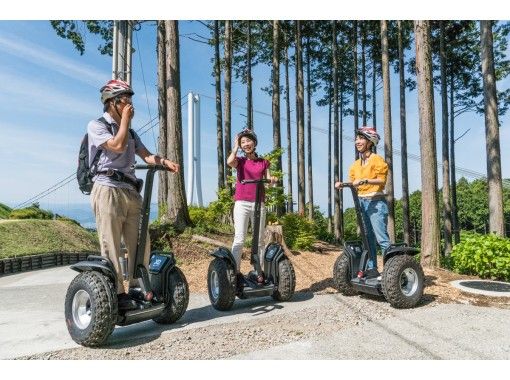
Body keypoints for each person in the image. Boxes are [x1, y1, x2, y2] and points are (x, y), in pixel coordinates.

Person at [88, 79, 179, 310]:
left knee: (140, 242)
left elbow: (146, 155)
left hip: (130, 190)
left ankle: (139, 287)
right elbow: (116, 146)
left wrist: (164, 161)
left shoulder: (131, 133)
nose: (130, 103)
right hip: (107, 188)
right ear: (111, 103)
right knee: (111, 246)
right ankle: (117, 294)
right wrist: (126, 120)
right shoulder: (96, 126)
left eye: (130, 99)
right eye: (125, 99)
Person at [334, 126, 390, 278]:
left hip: (376, 202)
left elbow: (381, 180)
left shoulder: (377, 160)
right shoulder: (355, 165)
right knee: (368, 237)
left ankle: (391, 271)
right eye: (357, 138)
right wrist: (342, 184)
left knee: (382, 238)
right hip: (362, 202)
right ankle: (372, 269)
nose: (357, 141)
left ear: (370, 141)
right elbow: (354, 182)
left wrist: (365, 180)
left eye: (361, 138)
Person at [227, 128, 277, 284]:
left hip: (259, 203)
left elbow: (268, 184)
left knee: (260, 240)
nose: (246, 144)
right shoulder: (240, 161)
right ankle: (234, 272)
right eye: (243, 142)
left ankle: (259, 271)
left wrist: (272, 182)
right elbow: (229, 162)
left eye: (248, 141)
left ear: (254, 143)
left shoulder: (264, 162)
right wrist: (235, 146)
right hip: (242, 203)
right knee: (239, 239)